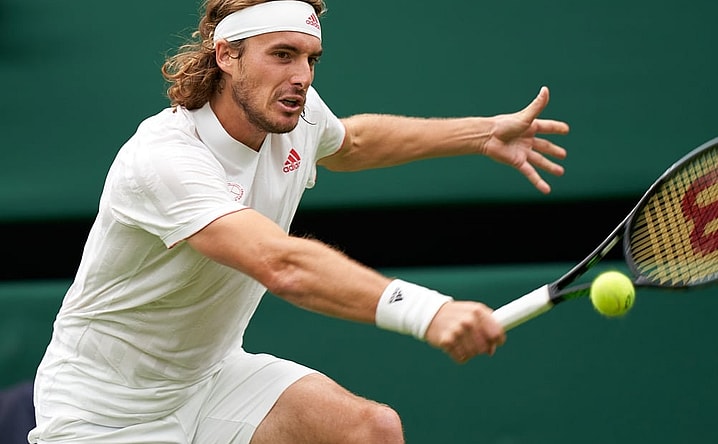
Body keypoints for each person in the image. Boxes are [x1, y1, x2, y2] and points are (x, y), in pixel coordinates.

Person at [28, 0, 570, 443]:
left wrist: (480, 134)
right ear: (226, 55)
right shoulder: (164, 158)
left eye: (310, 58)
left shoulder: (296, 115)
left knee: (371, 430)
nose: (301, 77)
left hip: (210, 377)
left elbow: (351, 142)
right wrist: (427, 311)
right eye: (282, 55)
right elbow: (281, 264)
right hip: (106, 414)